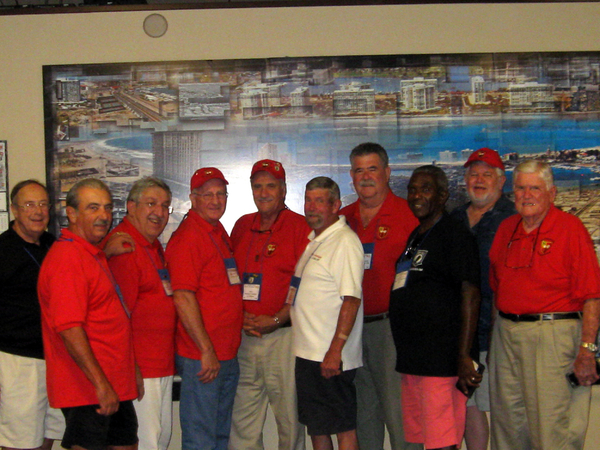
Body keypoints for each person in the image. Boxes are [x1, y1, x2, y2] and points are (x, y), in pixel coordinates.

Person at [488, 160, 600, 450]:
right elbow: (497, 288)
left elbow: (592, 296)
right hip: (506, 335)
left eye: (534, 188)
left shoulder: (570, 228)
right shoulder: (506, 229)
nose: (527, 195)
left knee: (553, 430)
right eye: (521, 188)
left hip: (552, 335)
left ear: (551, 193)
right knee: (507, 426)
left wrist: (587, 350)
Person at [38, 178, 140, 450]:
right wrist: (100, 385)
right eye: (93, 208)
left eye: (107, 208)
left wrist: (130, 372)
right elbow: (69, 329)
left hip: (113, 380)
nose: (103, 216)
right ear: (71, 213)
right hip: (88, 387)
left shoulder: (90, 254)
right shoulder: (67, 259)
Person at [389, 165, 481, 450]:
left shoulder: (455, 234)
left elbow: (471, 294)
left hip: (441, 362)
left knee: (442, 441)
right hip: (413, 360)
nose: (417, 195)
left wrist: (464, 355)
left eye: (425, 189)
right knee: (420, 438)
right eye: (412, 189)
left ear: (442, 195)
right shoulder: (416, 236)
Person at [339, 142, 420, 450]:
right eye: (359, 170)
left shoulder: (408, 216)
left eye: (372, 169)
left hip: (393, 330)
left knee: (400, 416)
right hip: (352, 330)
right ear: (351, 176)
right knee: (364, 417)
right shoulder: (342, 220)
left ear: (387, 173)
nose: (366, 177)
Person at [228, 160, 308, 450]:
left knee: (289, 421)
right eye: (257, 186)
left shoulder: (300, 227)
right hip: (245, 339)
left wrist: (275, 319)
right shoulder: (240, 226)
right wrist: (240, 316)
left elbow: (308, 290)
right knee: (242, 425)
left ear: (284, 189)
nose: (263, 192)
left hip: (284, 339)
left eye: (270, 185)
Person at [166, 167, 243, 450]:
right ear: (193, 198)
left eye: (220, 194)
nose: (215, 200)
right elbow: (183, 297)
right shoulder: (188, 237)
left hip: (225, 354)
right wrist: (206, 349)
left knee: (219, 437)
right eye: (207, 194)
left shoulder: (217, 230)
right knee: (200, 438)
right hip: (202, 357)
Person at [290, 176, 364, 450]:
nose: (312, 207)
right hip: (308, 353)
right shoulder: (316, 241)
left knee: (343, 428)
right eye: (308, 200)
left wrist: (335, 351)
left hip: (330, 357)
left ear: (336, 206)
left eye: (319, 201)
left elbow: (351, 300)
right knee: (318, 429)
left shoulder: (345, 241)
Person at [103, 177, 176, 450]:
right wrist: (130, 368)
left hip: (160, 366)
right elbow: (118, 319)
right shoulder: (125, 247)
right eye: (151, 204)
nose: (159, 212)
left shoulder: (152, 245)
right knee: (146, 444)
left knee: (159, 440)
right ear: (131, 207)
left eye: (165, 205)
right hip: (141, 371)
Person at [450, 148, 516, 450]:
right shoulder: (453, 218)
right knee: (469, 404)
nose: (478, 180)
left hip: (497, 332)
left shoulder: (513, 220)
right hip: (459, 334)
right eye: (473, 174)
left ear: (501, 182)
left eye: (486, 174)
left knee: (506, 409)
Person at [0, 180, 65, 450]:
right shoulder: (3, 250)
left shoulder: (53, 244)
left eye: (42, 204)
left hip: (55, 357)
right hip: (18, 361)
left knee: (48, 433)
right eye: (29, 205)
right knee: (19, 440)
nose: (38, 211)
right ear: (15, 210)